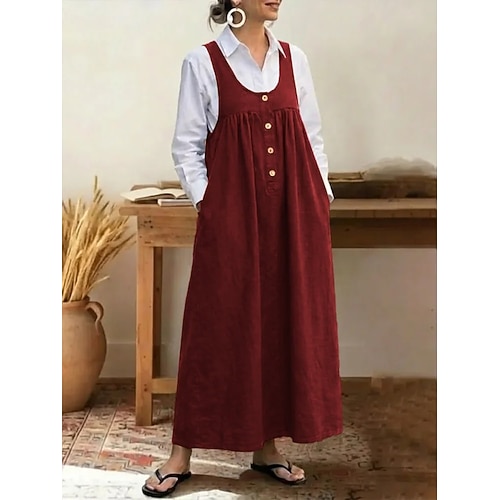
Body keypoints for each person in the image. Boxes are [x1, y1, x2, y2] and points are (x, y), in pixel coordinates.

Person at [142, 0, 342, 497]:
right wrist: (211, 204)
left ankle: (266, 448)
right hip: (232, 214)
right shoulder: (203, 61)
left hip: (294, 212)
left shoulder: (295, 58)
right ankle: (181, 453)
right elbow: (187, 146)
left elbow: (312, 137)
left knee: (277, 322)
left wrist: (319, 197)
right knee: (214, 324)